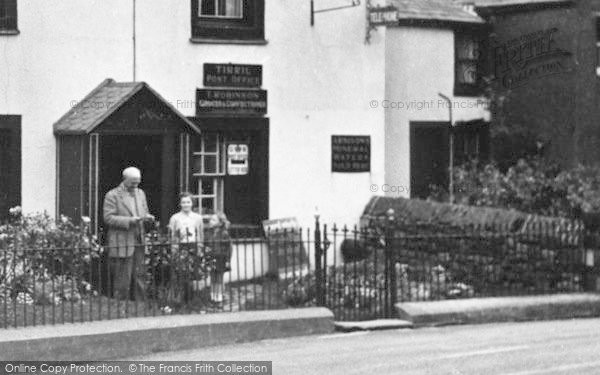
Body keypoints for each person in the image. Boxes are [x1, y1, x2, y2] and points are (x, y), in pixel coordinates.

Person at [103, 167, 155, 301]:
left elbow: (144, 212)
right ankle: (120, 305)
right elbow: (108, 218)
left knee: (141, 275)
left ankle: (140, 304)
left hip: (139, 239)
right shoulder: (112, 195)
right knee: (122, 277)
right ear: (124, 179)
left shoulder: (141, 193)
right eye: (133, 182)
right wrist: (130, 221)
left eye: (138, 182)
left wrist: (148, 217)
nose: (136, 185)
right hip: (122, 240)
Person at [167, 192, 204, 304]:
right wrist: (174, 249)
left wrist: (200, 248)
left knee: (192, 275)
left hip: (193, 246)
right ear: (180, 204)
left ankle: (191, 299)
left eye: (188, 202)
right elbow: (172, 235)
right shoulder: (175, 218)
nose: (186, 204)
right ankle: (178, 299)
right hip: (180, 247)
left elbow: (200, 234)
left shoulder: (198, 218)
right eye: (183, 202)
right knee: (180, 274)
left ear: (192, 203)